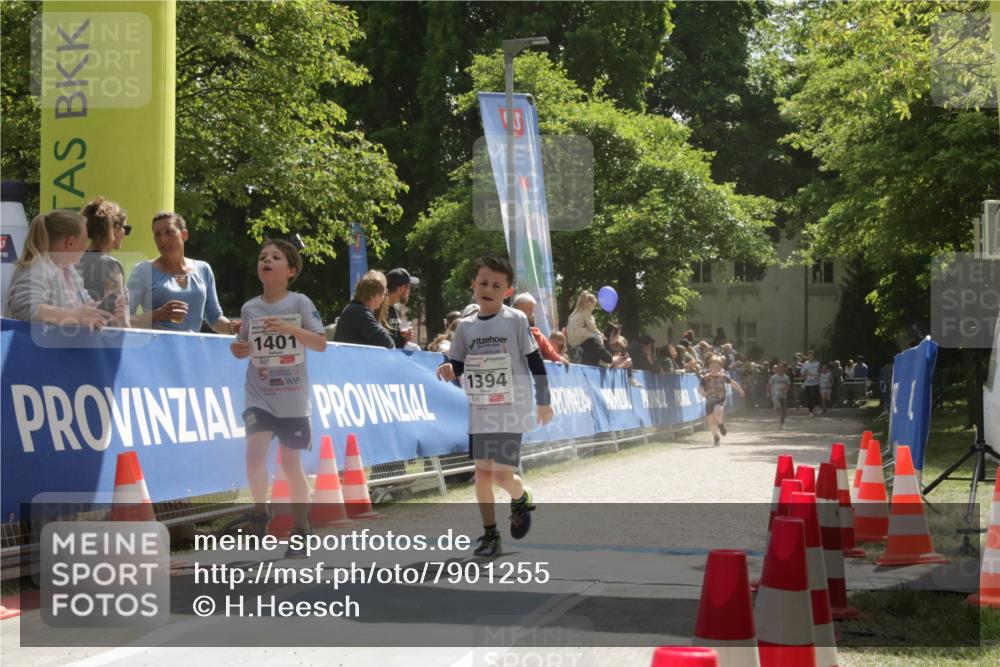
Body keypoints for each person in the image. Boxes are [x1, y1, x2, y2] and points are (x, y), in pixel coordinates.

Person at [436, 257, 553, 558]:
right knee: (482, 474)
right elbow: (459, 363)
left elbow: (535, 360)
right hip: (482, 410)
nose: (488, 289)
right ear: (473, 285)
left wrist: (543, 400)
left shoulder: (515, 320)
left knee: (502, 476)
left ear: (508, 291)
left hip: (513, 407)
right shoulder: (465, 327)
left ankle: (521, 496)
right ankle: (490, 534)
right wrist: (450, 369)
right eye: (483, 283)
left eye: (496, 285)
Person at [229, 239, 327, 558]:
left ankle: (300, 528)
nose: (266, 260)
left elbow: (320, 343)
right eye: (261, 257)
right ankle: (260, 514)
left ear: (291, 270)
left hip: (293, 397)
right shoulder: (249, 308)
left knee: (289, 463)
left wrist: (287, 328)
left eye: (275, 257)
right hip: (258, 393)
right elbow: (242, 346)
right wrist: (237, 348)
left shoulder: (300, 302)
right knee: (254, 454)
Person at [127, 211, 239, 334]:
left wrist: (234, 328)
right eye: (157, 235)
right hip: (155, 350)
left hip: (190, 350)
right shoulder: (142, 270)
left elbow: (214, 318)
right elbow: (123, 320)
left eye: (169, 232)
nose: (163, 240)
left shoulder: (203, 269)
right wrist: (158, 314)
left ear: (184, 235)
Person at [7, 210, 116, 329]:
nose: (85, 248)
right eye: (84, 241)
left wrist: (103, 309)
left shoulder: (68, 269)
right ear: (70, 243)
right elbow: (26, 309)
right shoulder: (37, 269)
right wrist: (77, 316)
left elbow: (84, 305)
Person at [77, 196, 130, 328]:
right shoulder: (111, 266)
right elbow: (119, 318)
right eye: (126, 228)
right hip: (100, 340)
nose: (125, 233)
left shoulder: (72, 260)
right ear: (116, 229)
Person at [332, 270, 394, 348]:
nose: (384, 298)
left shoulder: (353, 309)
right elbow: (388, 343)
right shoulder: (360, 313)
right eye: (384, 294)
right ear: (375, 296)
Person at [697, 355, 746, 446]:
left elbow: (733, 383)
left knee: (718, 411)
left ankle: (721, 424)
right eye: (712, 366)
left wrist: (740, 390)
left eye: (717, 367)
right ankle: (716, 437)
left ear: (720, 367)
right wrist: (703, 393)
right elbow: (699, 388)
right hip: (709, 401)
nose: (715, 368)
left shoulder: (723, 377)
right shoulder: (705, 378)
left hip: (719, 400)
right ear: (709, 367)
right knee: (711, 422)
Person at [512, 292, 569, 365]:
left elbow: (549, 351)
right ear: (519, 307)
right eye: (530, 309)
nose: (532, 313)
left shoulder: (537, 334)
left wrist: (560, 359)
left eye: (532, 309)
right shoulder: (504, 326)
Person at [567, 290, 612, 366]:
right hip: (579, 336)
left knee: (593, 336)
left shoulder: (576, 311)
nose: (594, 308)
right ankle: (602, 359)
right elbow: (592, 327)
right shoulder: (586, 312)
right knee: (597, 336)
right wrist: (601, 335)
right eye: (594, 305)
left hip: (571, 340)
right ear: (589, 303)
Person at [384, 268, 419, 349]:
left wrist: (405, 337)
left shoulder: (396, 309)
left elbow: (396, 335)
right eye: (409, 287)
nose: (409, 292)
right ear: (402, 288)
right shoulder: (378, 307)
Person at [768, 361, 792, 430]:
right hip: (775, 396)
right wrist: (769, 393)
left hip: (783, 396)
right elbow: (769, 385)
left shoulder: (786, 377)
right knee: (778, 407)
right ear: (777, 368)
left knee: (784, 411)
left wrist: (785, 389)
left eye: (782, 367)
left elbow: (789, 386)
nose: (780, 368)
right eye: (779, 367)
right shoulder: (773, 377)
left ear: (784, 368)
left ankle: (781, 424)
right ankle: (774, 415)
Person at [800, 349, 821, 417]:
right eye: (809, 355)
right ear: (807, 356)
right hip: (808, 383)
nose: (810, 356)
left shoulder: (817, 363)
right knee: (809, 398)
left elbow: (820, 372)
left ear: (814, 356)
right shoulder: (805, 364)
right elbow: (802, 373)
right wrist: (805, 373)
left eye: (812, 355)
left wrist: (818, 375)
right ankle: (810, 412)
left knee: (815, 396)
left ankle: (817, 406)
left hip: (815, 382)